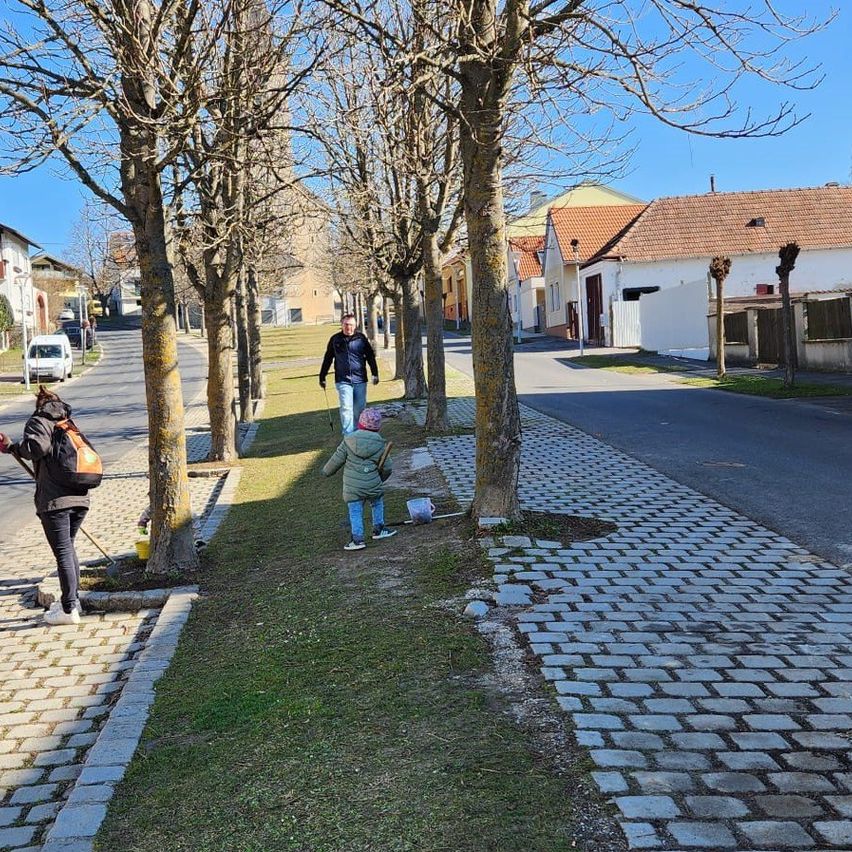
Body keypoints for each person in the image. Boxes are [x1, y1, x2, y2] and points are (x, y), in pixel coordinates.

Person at [0, 386, 91, 625]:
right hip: (80, 497)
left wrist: (14, 447)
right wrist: (12, 448)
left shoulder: (39, 421)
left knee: (63, 552)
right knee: (68, 549)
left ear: (39, 404)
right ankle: (73, 602)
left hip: (56, 502)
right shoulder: (67, 422)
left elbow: (36, 448)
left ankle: (69, 609)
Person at [322, 407, 397, 551]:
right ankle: (379, 529)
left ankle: (357, 539)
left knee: (355, 511)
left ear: (360, 424)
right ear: (377, 427)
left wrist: (326, 472)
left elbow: (336, 459)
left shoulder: (348, 441)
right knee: (377, 503)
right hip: (373, 484)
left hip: (353, 487)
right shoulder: (380, 445)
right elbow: (387, 467)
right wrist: (380, 479)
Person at [319, 313, 379, 435]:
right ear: (342, 325)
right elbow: (328, 358)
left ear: (355, 325)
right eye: (346, 325)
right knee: (346, 408)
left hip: (360, 380)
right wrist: (322, 376)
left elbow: (370, 357)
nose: (349, 327)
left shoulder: (361, 339)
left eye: (351, 325)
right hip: (343, 380)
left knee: (359, 409)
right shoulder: (335, 339)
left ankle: (358, 433)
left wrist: (375, 373)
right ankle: (348, 435)